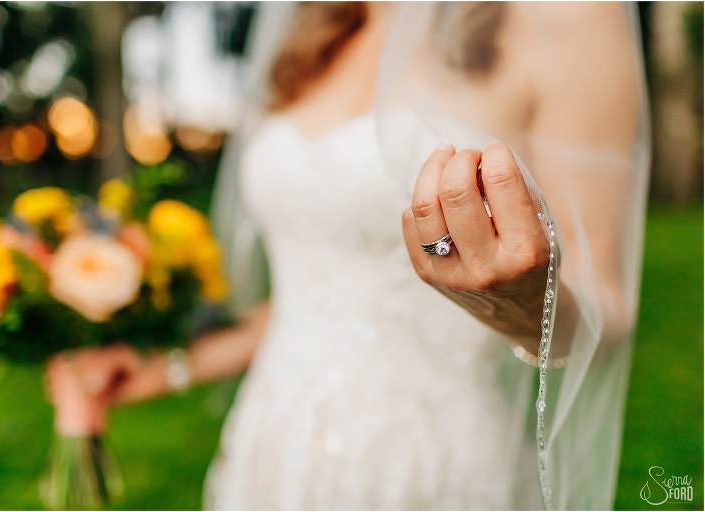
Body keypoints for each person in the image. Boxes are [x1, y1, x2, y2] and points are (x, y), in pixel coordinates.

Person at [48, 2, 649, 509]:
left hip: (426, 463)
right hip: (273, 441)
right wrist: (168, 365)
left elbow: (609, 315)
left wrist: (519, 306)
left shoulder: (568, 17)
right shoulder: (316, 18)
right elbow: (315, 296)